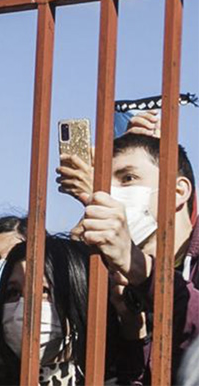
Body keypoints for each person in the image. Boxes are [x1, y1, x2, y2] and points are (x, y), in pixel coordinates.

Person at [58, 130, 198, 380]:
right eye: (105, 185)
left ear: (179, 192)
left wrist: (138, 267)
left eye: (128, 178)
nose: (112, 195)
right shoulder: (106, 272)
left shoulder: (133, 266)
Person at [0, 236, 145, 385]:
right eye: (13, 292)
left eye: (44, 291)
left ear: (79, 296)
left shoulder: (122, 378)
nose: (23, 306)